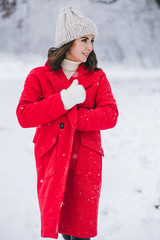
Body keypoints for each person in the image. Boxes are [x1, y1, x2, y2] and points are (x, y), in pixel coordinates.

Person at [16, 6, 118, 240]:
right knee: (61, 223)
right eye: (84, 40)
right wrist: (63, 101)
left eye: (92, 40)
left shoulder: (97, 76)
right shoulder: (38, 76)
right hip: (52, 158)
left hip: (85, 160)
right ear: (68, 41)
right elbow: (24, 115)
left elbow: (110, 115)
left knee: (81, 229)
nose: (89, 47)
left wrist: (71, 116)